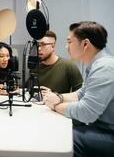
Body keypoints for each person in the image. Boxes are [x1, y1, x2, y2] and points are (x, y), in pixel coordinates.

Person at [43, 22, 114, 157]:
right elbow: (81, 93)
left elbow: (87, 112)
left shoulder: (104, 68)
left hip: (109, 133)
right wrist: (59, 97)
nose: (66, 47)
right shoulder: (95, 65)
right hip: (100, 127)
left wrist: (55, 105)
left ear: (85, 44)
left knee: (61, 140)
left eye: (69, 42)